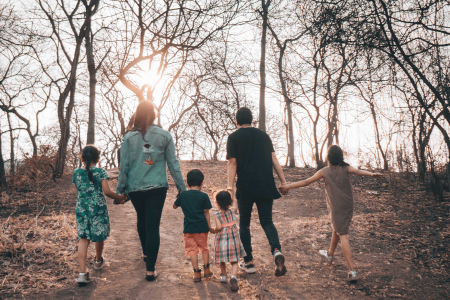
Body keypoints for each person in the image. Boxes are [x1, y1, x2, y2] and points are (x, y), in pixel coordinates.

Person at [279, 145, 383, 282]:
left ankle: (352, 271)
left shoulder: (324, 171)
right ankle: (330, 255)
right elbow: (357, 171)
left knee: (343, 234)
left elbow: (306, 182)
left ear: (328, 157)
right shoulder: (346, 168)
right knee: (337, 229)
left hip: (337, 206)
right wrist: (371, 174)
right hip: (348, 205)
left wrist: (288, 186)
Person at [117, 100, 187, 281]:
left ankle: (147, 253)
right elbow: (174, 164)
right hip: (157, 187)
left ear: (137, 114)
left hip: (135, 187)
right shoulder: (164, 135)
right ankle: (150, 269)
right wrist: (182, 187)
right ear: (154, 115)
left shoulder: (129, 137)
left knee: (142, 218)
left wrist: (121, 190)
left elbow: (124, 165)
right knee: (152, 225)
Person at [226, 107, 288, 276]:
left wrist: (230, 188)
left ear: (236, 121)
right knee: (267, 221)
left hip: (246, 186)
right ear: (251, 120)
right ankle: (276, 251)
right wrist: (283, 182)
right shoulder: (264, 135)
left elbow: (232, 163)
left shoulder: (233, 137)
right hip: (266, 184)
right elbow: (274, 159)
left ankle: (249, 262)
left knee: (244, 223)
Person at [73, 145, 127, 285]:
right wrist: (120, 197)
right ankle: (98, 261)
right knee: (99, 234)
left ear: (82, 157)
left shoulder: (76, 173)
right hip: (97, 208)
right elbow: (107, 192)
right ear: (98, 158)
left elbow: (79, 190)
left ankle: (82, 274)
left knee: (83, 238)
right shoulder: (101, 172)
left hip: (82, 208)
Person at [173, 169, 213, 282]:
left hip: (188, 228)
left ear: (187, 183)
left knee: (192, 250)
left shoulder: (184, 195)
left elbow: (174, 206)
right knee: (204, 248)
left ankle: (196, 273)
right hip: (201, 228)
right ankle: (207, 270)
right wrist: (209, 226)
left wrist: (180, 198)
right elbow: (206, 212)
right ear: (202, 183)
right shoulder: (204, 196)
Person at [210, 190, 246, 292]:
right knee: (234, 260)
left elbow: (218, 227)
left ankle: (224, 276)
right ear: (230, 201)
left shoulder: (217, 215)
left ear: (217, 203)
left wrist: (213, 230)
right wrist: (232, 193)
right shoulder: (232, 210)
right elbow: (235, 204)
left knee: (222, 259)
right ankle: (234, 276)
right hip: (233, 239)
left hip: (222, 240)